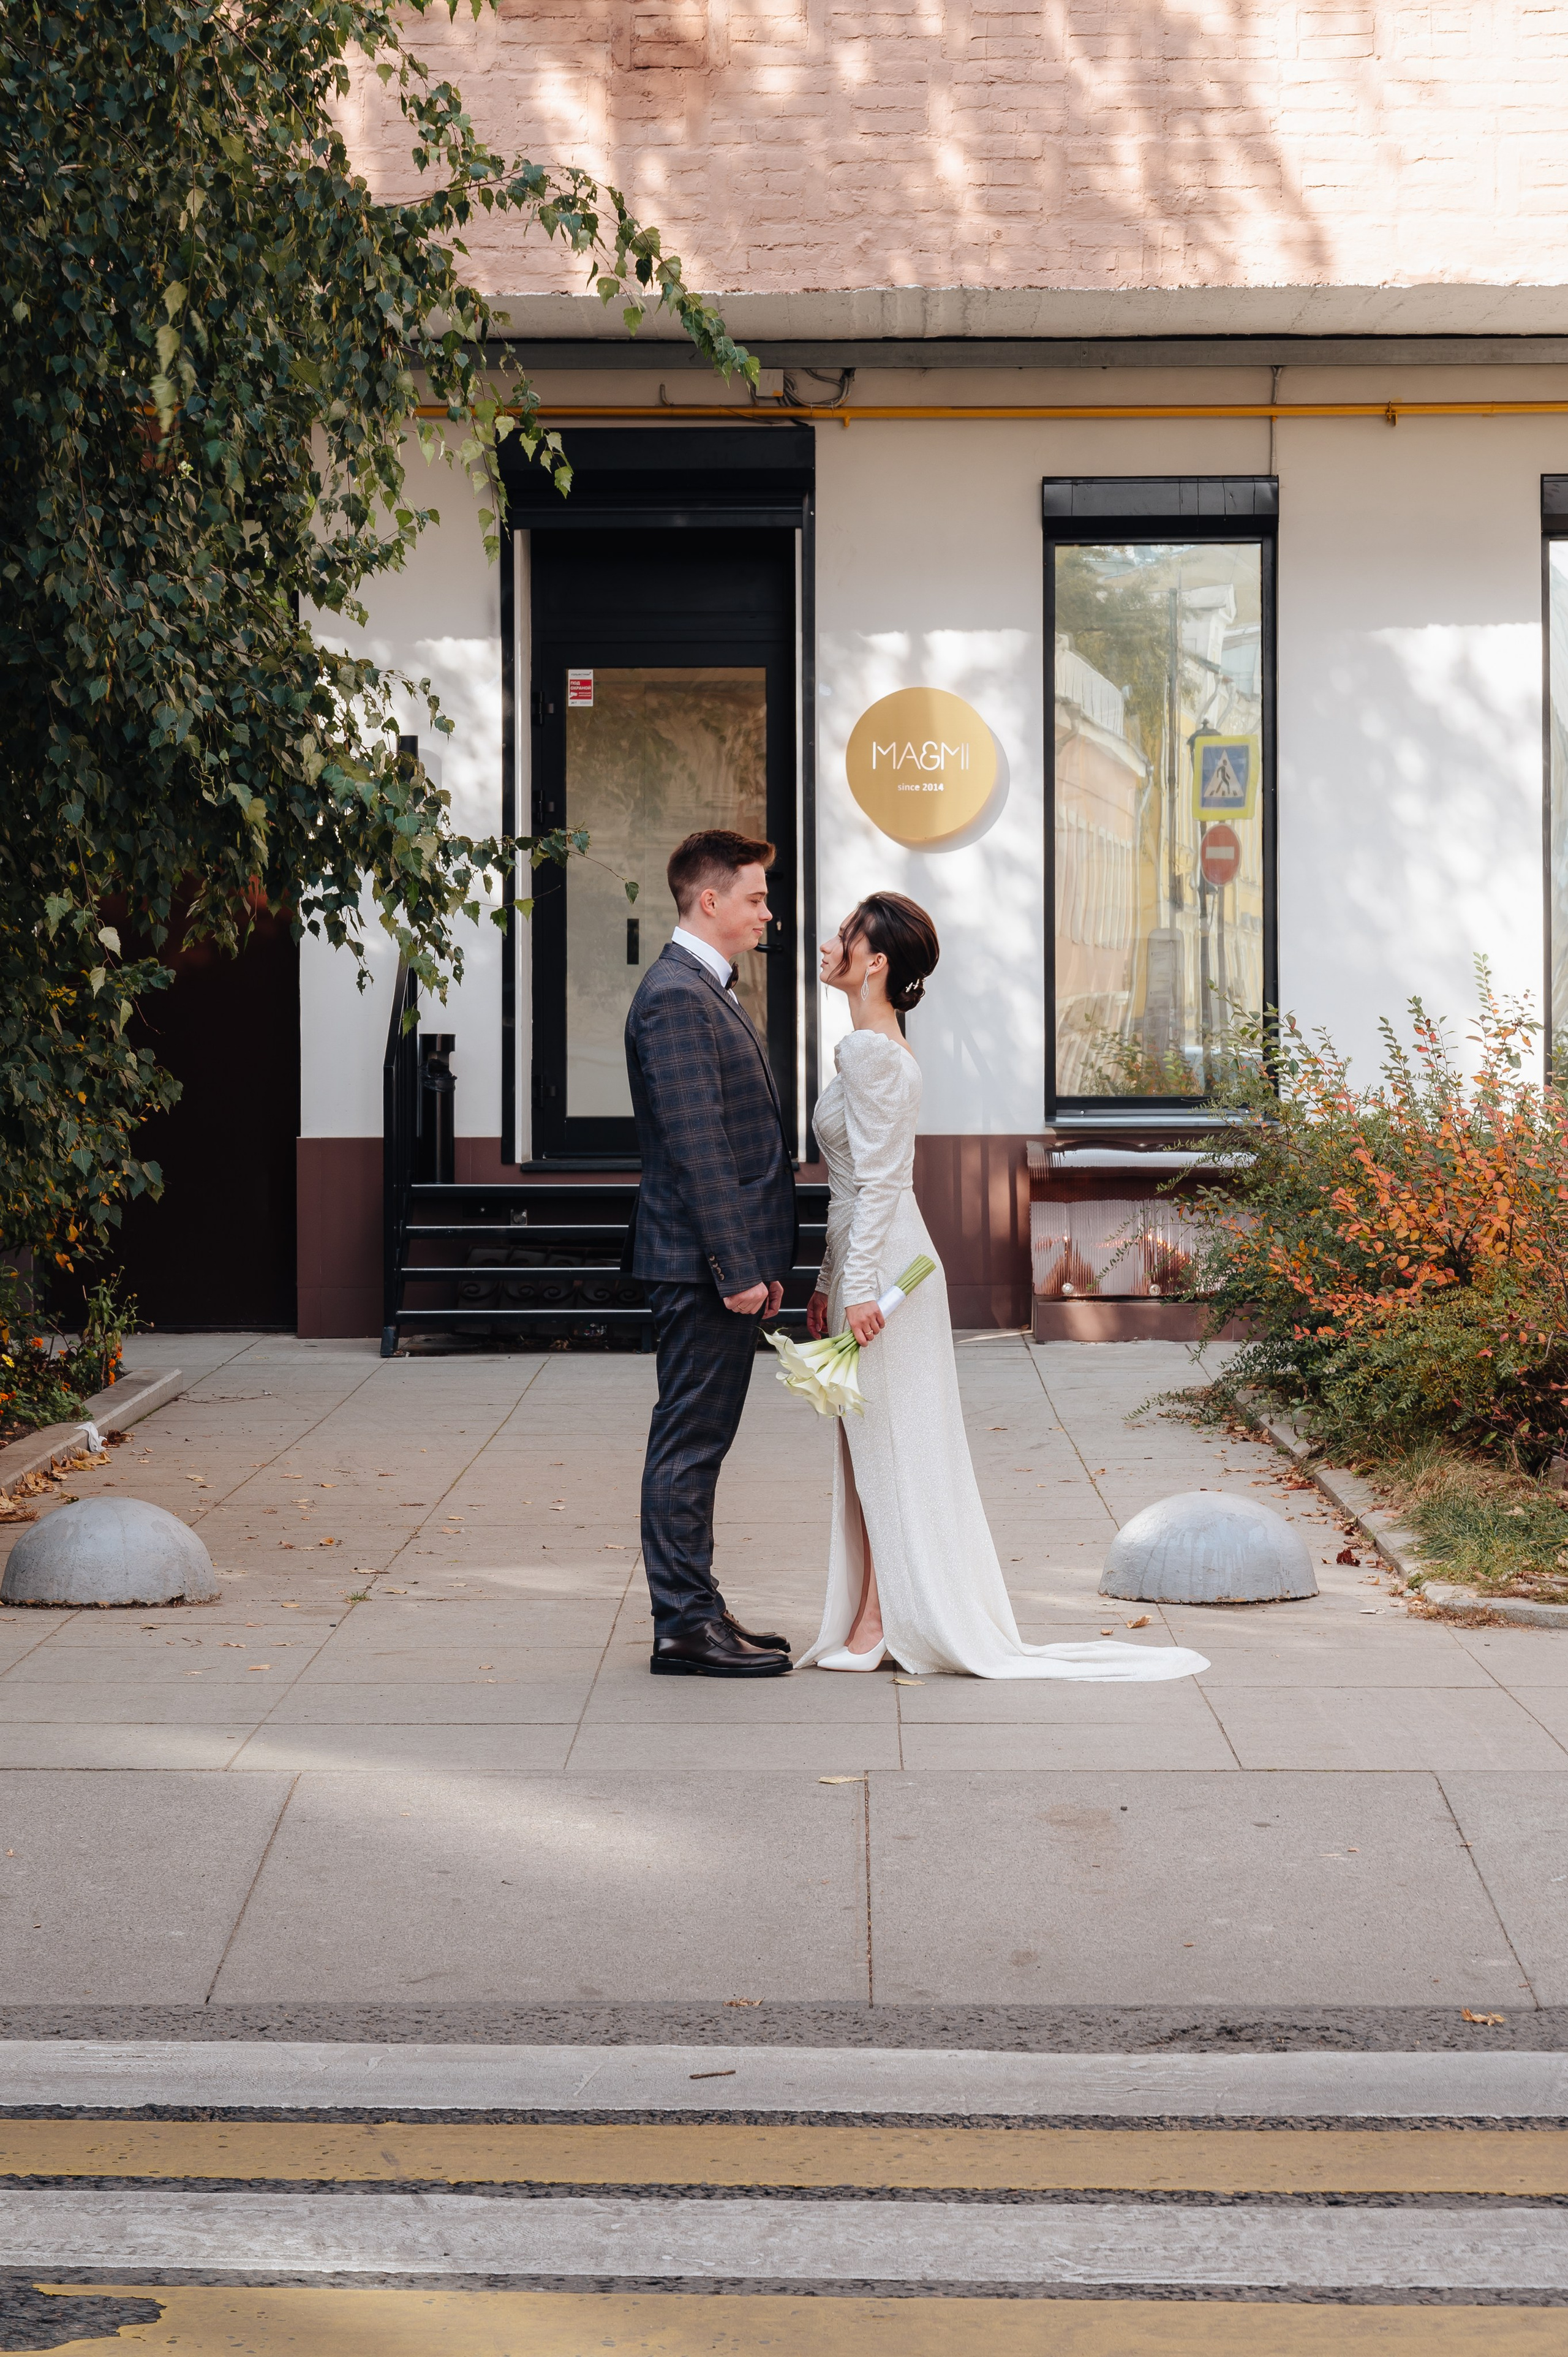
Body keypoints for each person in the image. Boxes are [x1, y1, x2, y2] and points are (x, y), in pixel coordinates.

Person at [799, 891, 1208, 1685]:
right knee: (868, 1448)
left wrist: (853, 1291)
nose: (830, 941)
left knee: (890, 1449)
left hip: (885, 1271)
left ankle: (882, 1619)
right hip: (866, 1260)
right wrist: (825, 1280)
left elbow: (881, 1186)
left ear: (875, 963)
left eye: (846, 934)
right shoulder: (868, 1047)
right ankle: (870, 1616)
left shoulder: (871, 1053)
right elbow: (849, 1189)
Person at [625, 829, 798, 1676]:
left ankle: (700, 1608)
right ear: (711, 901)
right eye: (758, 897)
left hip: (718, 1265)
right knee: (689, 1443)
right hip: (698, 1269)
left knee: (701, 1441)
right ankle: (685, 1626)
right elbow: (699, 1150)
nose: (768, 911)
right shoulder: (675, 996)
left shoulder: (705, 989)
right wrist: (738, 1271)